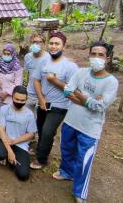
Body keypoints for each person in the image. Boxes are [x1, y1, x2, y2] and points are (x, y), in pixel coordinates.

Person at [53, 42, 119, 203]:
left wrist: (83, 96)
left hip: (90, 128)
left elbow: (100, 106)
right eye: (93, 54)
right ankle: (66, 172)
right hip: (71, 121)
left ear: (107, 58)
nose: (96, 58)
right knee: (66, 149)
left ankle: (79, 191)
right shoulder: (81, 72)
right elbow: (67, 90)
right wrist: (88, 100)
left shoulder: (111, 82)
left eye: (101, 55)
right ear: (89, 55)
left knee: (84, 160)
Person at [30, 31, 79, 170]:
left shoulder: (70, 66)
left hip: (60, 105)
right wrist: (41, 98)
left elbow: (73, 89)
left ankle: (41, 159)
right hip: (43, 102)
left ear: (63, 46)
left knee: (47, 131)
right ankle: (40, 148)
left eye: (57, 44)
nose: (53, 46)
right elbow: (36, 80)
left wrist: (55, 81)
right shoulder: (43, 62)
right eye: (51, 43)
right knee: (40, 129)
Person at [0, 86, 37, 181]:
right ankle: (7, 157)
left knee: (23, 175)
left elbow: (31, 134)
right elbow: (1, 129)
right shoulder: (4, 109)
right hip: (5, 140)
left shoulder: (29, 114)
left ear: (26, 99)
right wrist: (10, 151)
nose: (19, 102)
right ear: (12, 97)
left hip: (21, 144)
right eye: (17, 99)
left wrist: (14, 141)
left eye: (22, 100)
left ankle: (12, 161)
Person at [0, 43, 23, 136]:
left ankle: (7, 136)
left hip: (9, 97)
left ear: (13, 54)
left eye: (8, 54)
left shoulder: (17, 67)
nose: (6, 56)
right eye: (4, 53)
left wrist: (7, 92)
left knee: (7, 117)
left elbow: (18, 84)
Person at [24, 33, 50, 113]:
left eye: (39, 42)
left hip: (43, 96)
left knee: (40, 122)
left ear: (44, 44)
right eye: (34, 42)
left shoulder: (49, 58)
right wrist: (24, 91)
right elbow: (25, 74)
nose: (36, 44)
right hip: (29, 95)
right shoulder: (27, 57)